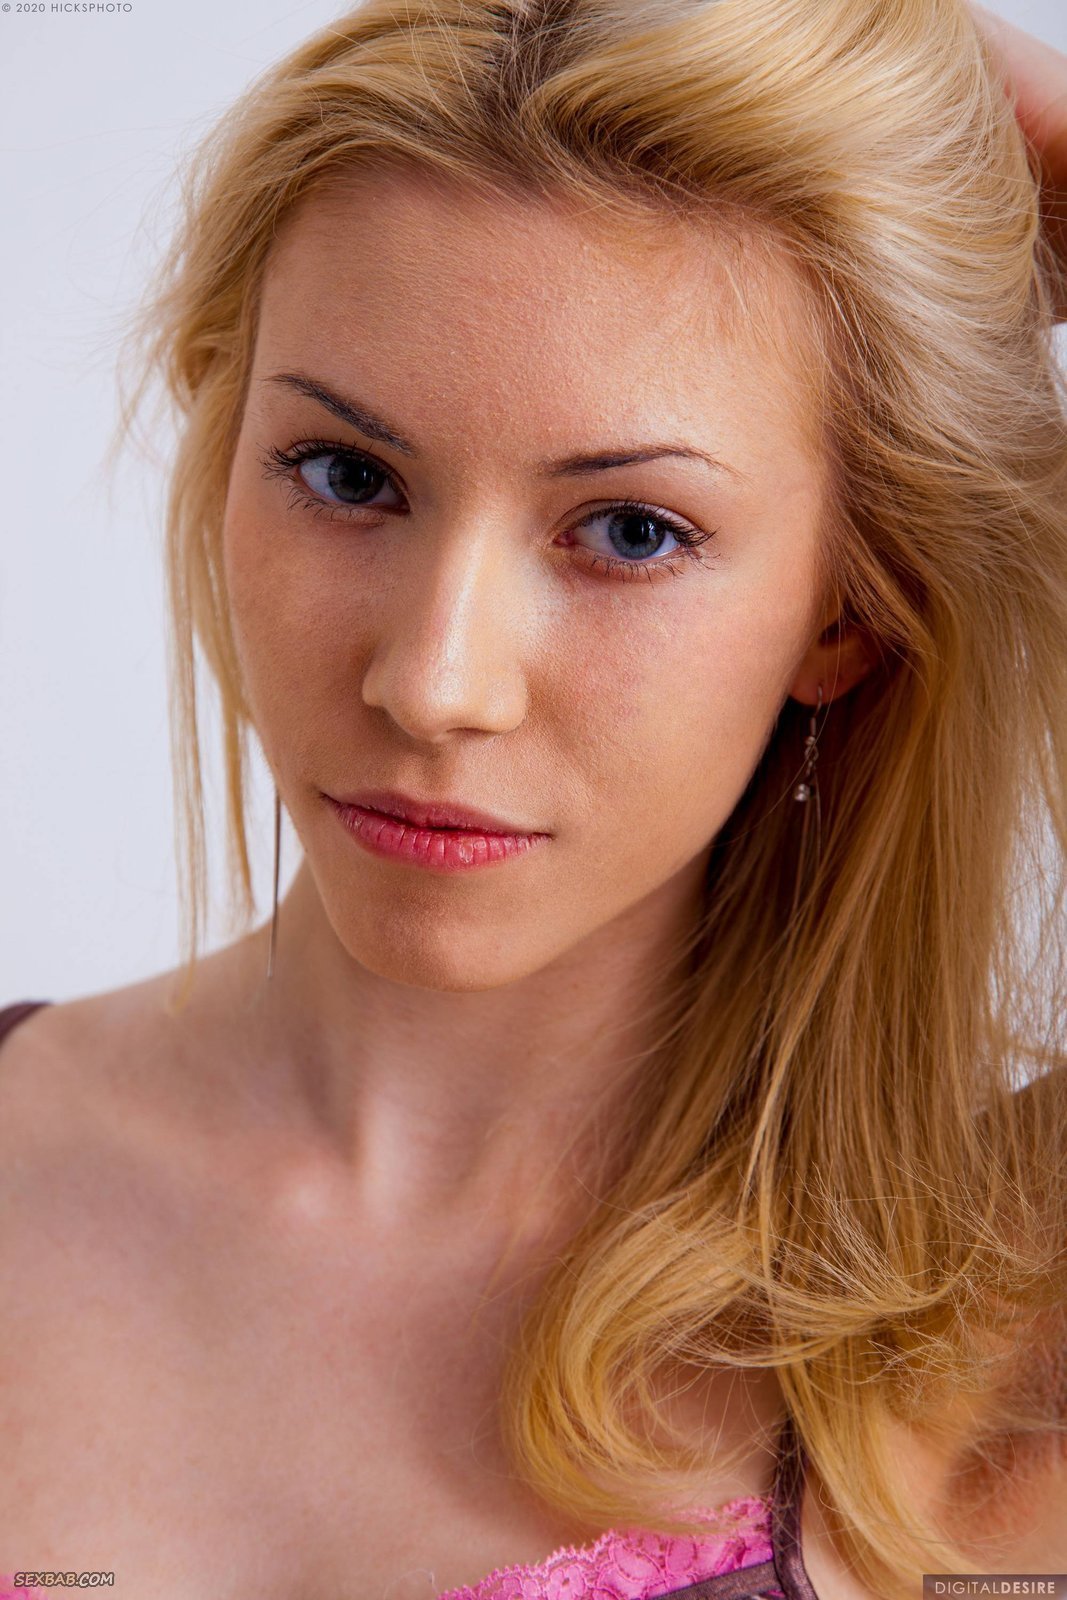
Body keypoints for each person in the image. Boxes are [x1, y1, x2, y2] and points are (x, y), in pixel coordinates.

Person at [1, 1, 1065, 1596]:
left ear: (848, 609)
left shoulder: (992, 1299)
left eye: (632, 531)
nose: (436, 683)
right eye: (348, 475)